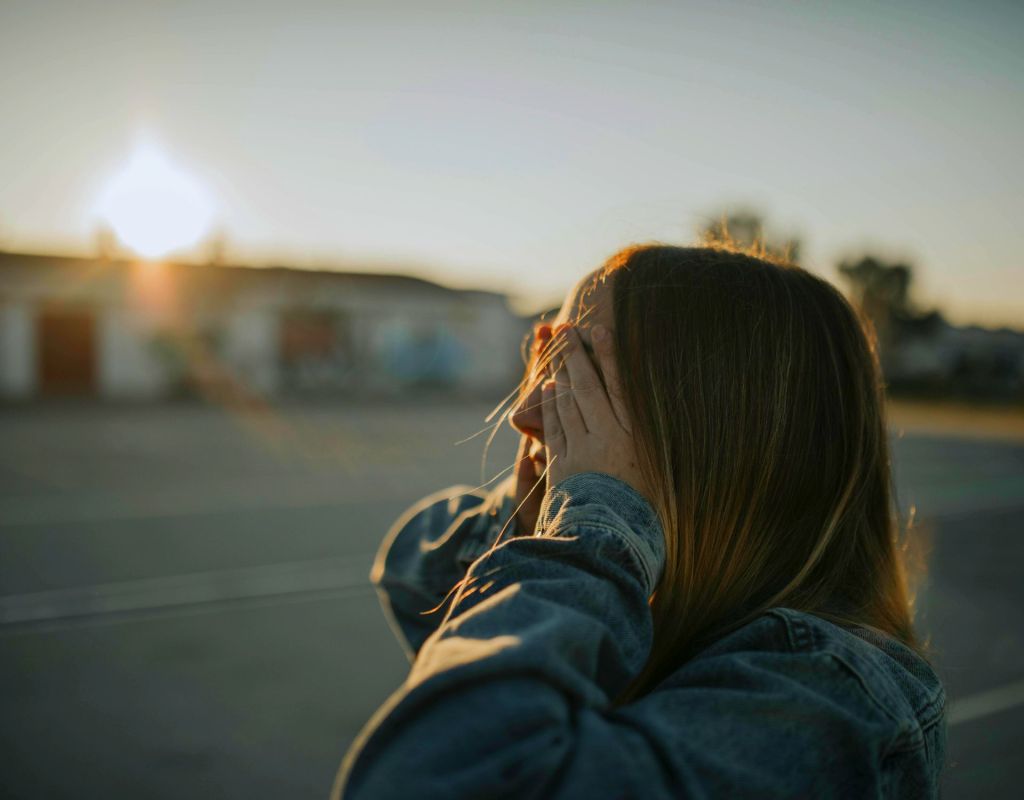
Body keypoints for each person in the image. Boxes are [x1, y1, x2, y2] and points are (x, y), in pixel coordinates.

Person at [333, 243, 947, 799]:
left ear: (716, 434)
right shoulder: (652, 600)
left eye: (582, 381)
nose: (526, 413)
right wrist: (543, 519)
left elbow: (432, 776)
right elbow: (413, 565)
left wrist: (594, 525)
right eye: (549, 364)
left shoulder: (828, 695)